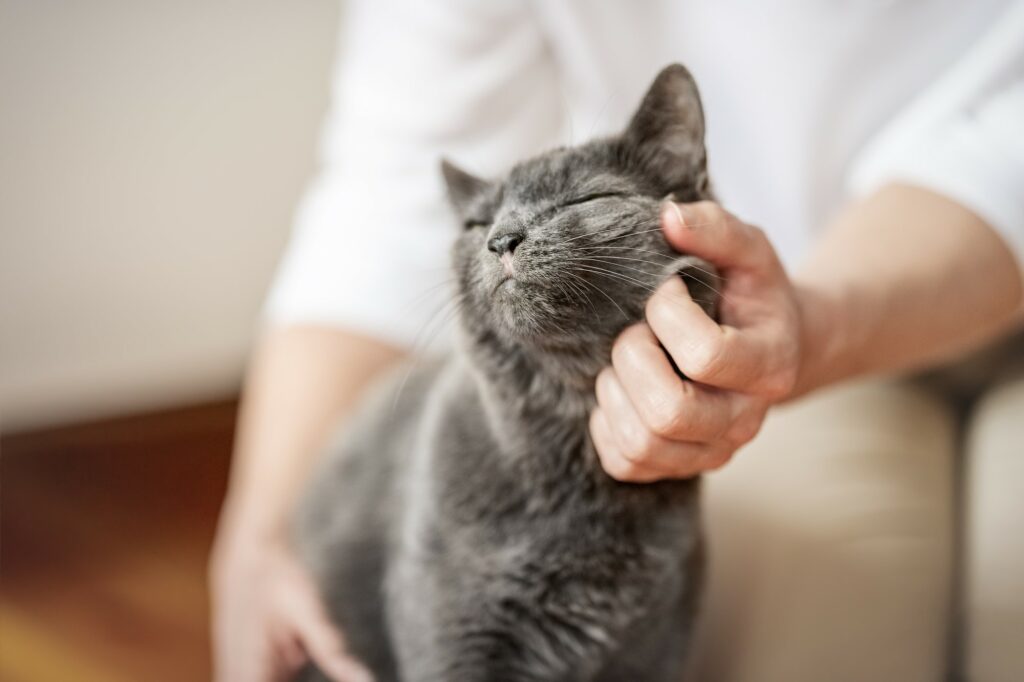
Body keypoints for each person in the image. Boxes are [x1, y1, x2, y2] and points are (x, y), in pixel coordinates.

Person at [209, 2, 1024, 681]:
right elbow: (387, 189)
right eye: (486, 228)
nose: (505, 241)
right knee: (818, 648)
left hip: (887, 303)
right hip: (775, 352)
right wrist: (257, 533)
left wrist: (814, 322)